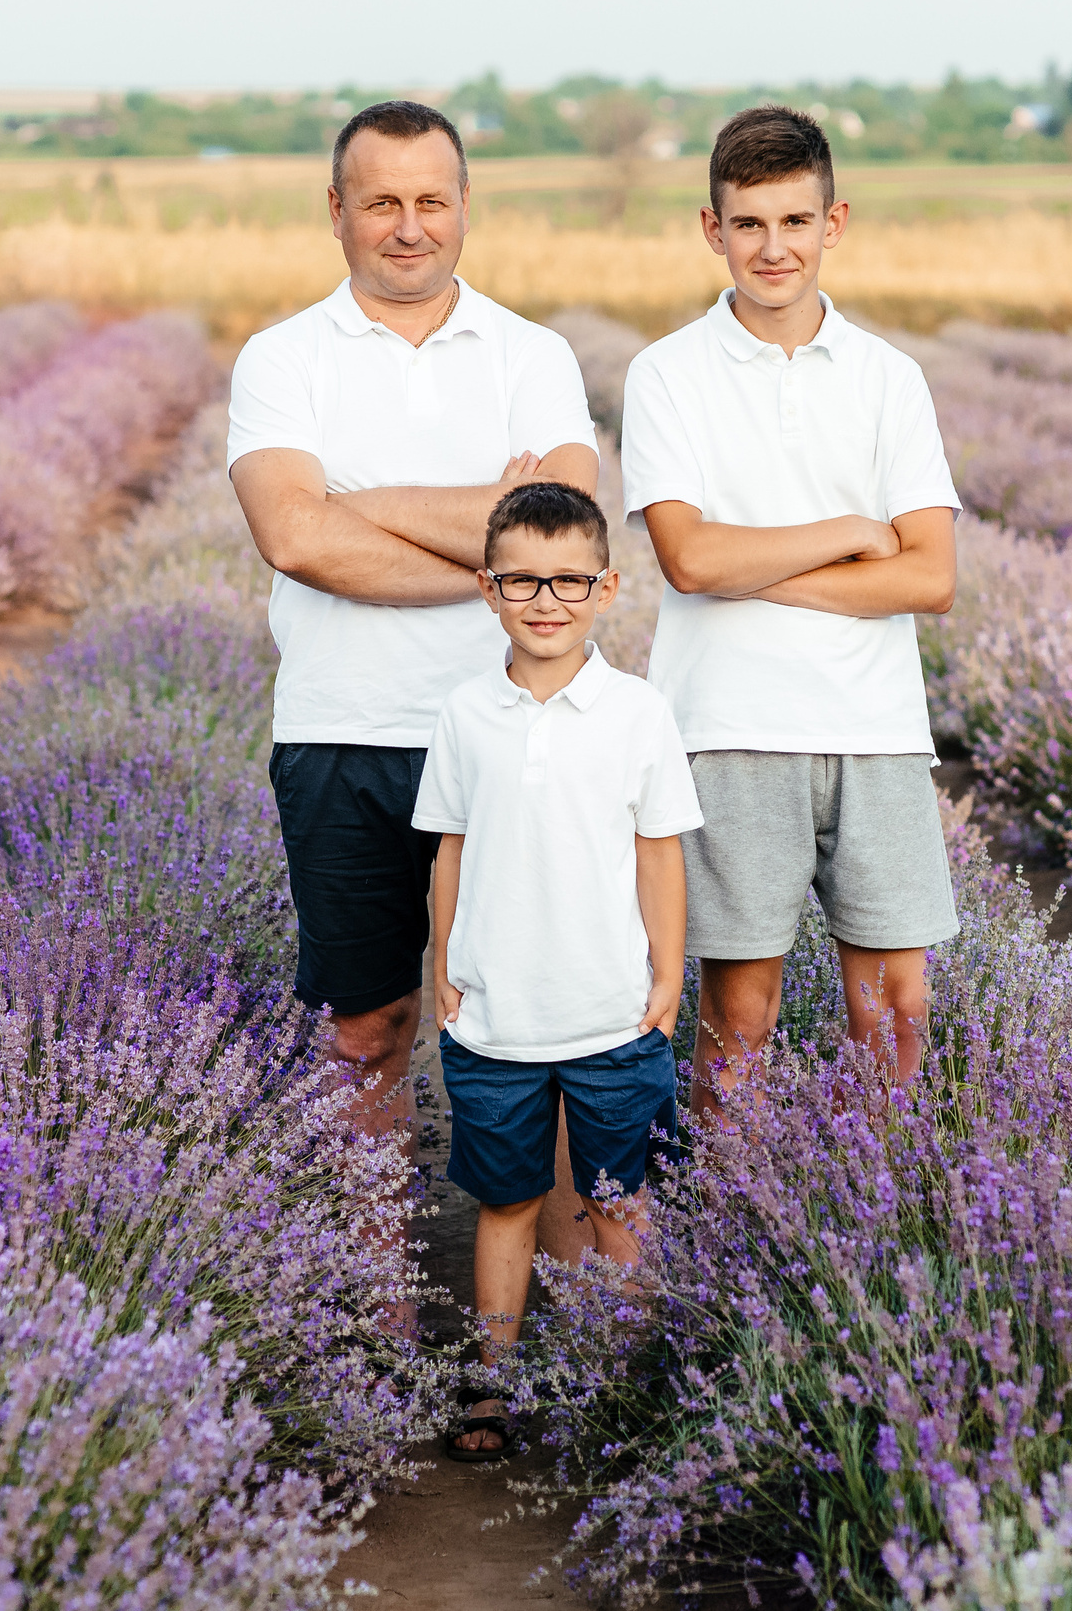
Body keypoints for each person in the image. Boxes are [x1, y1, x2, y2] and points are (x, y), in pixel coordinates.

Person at [227, 102, 601, 1166]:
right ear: (335, 211)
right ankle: (380, 1307)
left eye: (431, 200)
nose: (408, 226)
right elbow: (296, 537)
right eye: (381, 201)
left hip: (516, 732)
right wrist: (496, 532)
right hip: (344, 734)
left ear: (465, 207)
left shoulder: (531, 353)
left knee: (542, 1021)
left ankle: (540, 1302)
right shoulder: (280, 357)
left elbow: (564, 533)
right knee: (366, 1030)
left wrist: (362, 498)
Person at [619, 105, 960, 1117]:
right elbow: (687, 558)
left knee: (897, 1015)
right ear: (710, 227)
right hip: (726, 728)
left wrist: (751, 567)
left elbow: (928, 577)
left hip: (875, 730)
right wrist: (852, 528)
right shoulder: (665, 373)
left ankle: (880, 1221)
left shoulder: (889, 378)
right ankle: (731, 1241)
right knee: (741, 1018)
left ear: (834, 221)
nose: (774, 248)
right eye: (750, 224)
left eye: (795, 222)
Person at [412, 481, 698, 1459]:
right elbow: (448, 847)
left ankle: (622, 1385)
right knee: (506, 1201)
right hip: (496, 1012)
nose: (546, 598)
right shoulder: (463, 713)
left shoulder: (636, 711)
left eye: (569, 579)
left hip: (612, 1007)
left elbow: (659, 851)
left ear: (607, 586)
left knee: (621, 1203)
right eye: (522, 579)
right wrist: (442, 964)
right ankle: (490, 1383)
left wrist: (667, 976)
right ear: (486, 588)